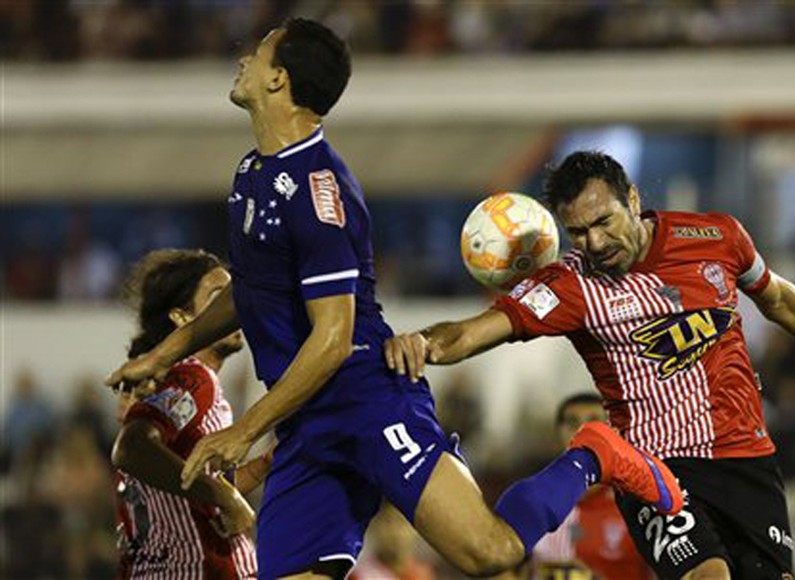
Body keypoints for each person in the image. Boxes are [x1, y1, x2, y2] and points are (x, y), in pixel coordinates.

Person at [106, 20, 682, 580]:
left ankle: (594, 453)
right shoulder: (252, 172)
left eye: (258, 53)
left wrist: (244, 430)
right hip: (305, 420)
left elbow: (332, 341)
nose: (243, 59)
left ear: (279, 80)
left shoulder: (320, 193)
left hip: (367, 399)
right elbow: (254, 292)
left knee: (490, 554)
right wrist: (166, 353)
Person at [385, 150, 795, 580]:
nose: (594, 243)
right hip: (653, 466)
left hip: (747, 457)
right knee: (710, 576)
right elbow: (475, 331)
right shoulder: (569, 287)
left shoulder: (718, 238)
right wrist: (423, 344)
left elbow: (780, 298)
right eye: (578, 232)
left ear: (632, 200)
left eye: (603, 222)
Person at [111, 249, 262, 578]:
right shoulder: (192, 377)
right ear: (181, 318)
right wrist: (225, 496)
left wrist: (269, 462)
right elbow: (131, 448)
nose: (234, 308)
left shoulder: (179, 385)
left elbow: (191, 487)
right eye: (218, 297)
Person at [524, 393, 651, 580]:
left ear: (614, 432)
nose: (582, 431)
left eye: (594, 422)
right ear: (558, 431)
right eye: (572, 423)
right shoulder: (533, 502)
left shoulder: (638, 506)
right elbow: (502, 569)